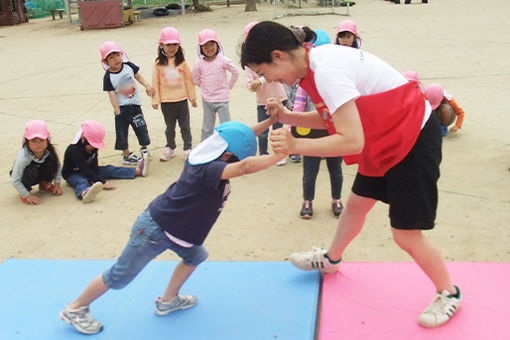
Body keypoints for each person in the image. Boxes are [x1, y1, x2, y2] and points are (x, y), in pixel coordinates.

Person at [241, 21, 461, 328]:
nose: (269, 80)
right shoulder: (311, 64)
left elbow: (352, 139)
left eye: (264, 73)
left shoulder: (326, 68)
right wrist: (290, 117)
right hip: (382, 135)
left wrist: (295, 145)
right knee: (357, 204)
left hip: (411, 138)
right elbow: (336, 116)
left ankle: (449, 293)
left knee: (406, 235)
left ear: (278, 56)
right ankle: (331, 260)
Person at [59, 119, 284, 335]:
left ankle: (168, 301)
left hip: (176, 232)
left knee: (196, 255)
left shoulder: (210, 148)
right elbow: (244, 167)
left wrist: (271, 120)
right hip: (154, 231)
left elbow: (239, 135)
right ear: (227, 156)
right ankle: (75, 308)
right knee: (119, 276)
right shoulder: (209, 168)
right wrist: (280, 155)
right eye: (234, 158)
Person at [291, 30, 344, 219]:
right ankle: (307, 201)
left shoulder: (334, 79)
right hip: (311, 130)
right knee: (310, 170)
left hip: (333, 130)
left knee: (335, 168)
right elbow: (298, 104)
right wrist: (293, 129)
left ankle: (336, 199)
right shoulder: (306, 81)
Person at [62, 120, 150, 204]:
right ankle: (84, 193)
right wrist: (100, 181)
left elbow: (94, 163)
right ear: (83, 139)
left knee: (109, 169)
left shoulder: (93, 149)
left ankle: (137, 170)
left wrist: (95, 177)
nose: (94, 148)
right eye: (92, 145)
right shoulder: (74, 150)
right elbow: (84, 168)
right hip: (73, 174)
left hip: (89, 169)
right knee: (81, 181)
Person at [100, 41, 155, 165]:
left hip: (135, 106)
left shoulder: (129, 66)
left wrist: (147, 85)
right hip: (122, 108)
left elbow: (138, 76)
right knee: (122, 132)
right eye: (111, 57)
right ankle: (126, 154)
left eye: (117, 55)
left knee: (141, 127)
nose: (116, 59)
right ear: (105, 61)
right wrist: (117, 110)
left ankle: (144, 149)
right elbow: (111, 94)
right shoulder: (108, 77)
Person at [244, 21, 288, 165]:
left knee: (278, 129)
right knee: (262, 132)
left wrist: (261, 81)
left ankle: (279, 154)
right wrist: (253, 86)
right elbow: (249, 84)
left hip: (279, 98)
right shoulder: (249, 65)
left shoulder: (272, 58)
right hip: (262, 101)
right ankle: (263, 154)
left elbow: (273, 75)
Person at [152, 27, 198, 161]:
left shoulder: (182, 62)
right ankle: (170, 148)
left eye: (174, 44)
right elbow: (155, 82)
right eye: (168, 44)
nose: (172, 47)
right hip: (166, 102)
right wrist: (155, 99)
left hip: (182, 100)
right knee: (169, 127)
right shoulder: (158, 63)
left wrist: (192, 98)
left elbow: (189, 80)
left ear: (179, 45)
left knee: (185, 126)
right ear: (161, 45)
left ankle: (188, 148)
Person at [192, 29, 240, 141]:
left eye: (212, 44)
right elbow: (194, 78)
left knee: (226, 125)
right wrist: (204, 86)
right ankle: (205, 147)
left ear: (217, 45)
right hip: (207, 99)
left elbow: (235, 71)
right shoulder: (199, 63)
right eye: (205, 46)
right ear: (200, 48)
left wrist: (229, 86)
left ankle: (229, 144)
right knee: (207, 127)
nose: (209, 48)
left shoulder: (223, 60)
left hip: (222, 99)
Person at [10, 120, 63, 205]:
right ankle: (25, 190)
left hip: (39, 172)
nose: (38, 144)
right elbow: (15, 179)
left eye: (42, 140)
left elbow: (57, 166)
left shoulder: (49, 152)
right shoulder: (23, 157)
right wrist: (27, 195)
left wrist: (57, 184)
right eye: (34, 141)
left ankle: (44, 183)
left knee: (50, 163)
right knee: (32, 170)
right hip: (26, 177)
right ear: (27, 142)